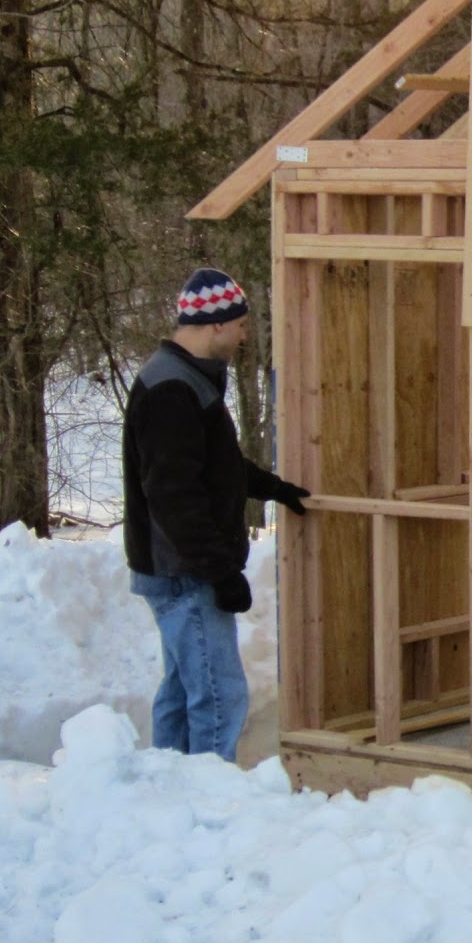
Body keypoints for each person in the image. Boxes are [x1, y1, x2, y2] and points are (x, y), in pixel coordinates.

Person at [122, 268, 310, 760]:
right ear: (216, 325)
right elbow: (173, 496)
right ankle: (209, 798)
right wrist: (219, 572)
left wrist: (271, 487)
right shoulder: (171, 389)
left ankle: (171, 784)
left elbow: (211, 465)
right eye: (242, 324)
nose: (245, 334)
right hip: (182, 571)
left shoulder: (185, 379)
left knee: (185, 688)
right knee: (219, 694)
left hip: (180, 566)